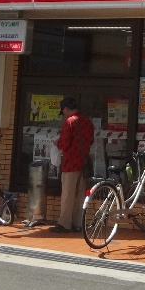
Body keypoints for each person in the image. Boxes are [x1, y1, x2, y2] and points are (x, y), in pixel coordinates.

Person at [54, 96, 94, 233]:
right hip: (84, 163)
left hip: (70, 163)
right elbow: (91, 141)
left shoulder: (69, 122)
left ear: (66, 109)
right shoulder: (88, 122)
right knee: (80, 195)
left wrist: (57, 143)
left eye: (63, 111)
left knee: (68, 194)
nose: (64, 114)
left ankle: (64, 224)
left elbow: (64, 144)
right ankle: (78, 223)